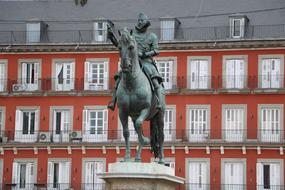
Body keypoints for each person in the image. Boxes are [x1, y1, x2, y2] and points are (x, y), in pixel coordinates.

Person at [107, 13, 163, 111]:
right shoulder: (132, 36)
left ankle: (158, 102)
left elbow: (156, 50)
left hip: (147, 62)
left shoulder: (152, 36)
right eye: (139, 21)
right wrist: (112, 37)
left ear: (146, 25)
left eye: (142, 22)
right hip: (133, 61)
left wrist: (145, 54)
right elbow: (121, 45)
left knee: (154, 79)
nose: (140, 23)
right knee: (119, 77)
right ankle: (113, 101)